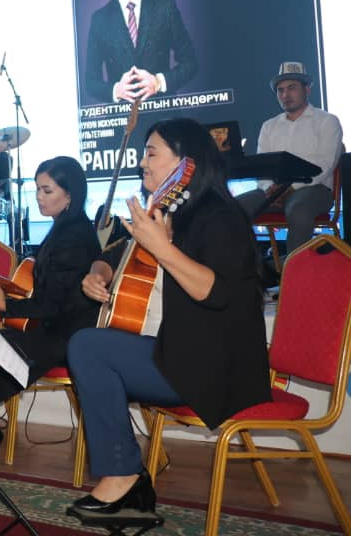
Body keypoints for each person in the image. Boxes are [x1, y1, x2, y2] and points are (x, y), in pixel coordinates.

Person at [66, 118, 270, 518]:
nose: (142, 162)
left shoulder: (221, 217)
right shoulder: (168, 213)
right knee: (87, 340)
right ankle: (125, 474)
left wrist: (162, 248)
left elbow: (216, 292)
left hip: (212, 367)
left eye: (151, 153)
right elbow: (111, 255)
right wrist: (97, 273)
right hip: (174, 351)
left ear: (185, 163)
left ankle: (124, 475)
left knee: (89, 347)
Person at [0, 156, 99, 485]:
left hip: (66, 338)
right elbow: (50, 292)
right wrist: (5, 293)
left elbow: (53, 305)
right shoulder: (64, 228)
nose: (39, 197)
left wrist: (5, 306)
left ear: (70, 194)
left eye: (47, 190)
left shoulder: (74, 237)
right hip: (51, 329)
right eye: (37, 189)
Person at [236, 61, 343, 257]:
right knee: (233, 208)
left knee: (298, 210)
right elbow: (262, 167)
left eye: (292, 88)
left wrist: (289, 189)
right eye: (280, 90)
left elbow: (324, 166)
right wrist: (271, 190)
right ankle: (249, 268)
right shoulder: (269, 126)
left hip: (314, 190)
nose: (285, 95)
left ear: (307, 89)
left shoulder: (327, 121)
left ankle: (295, 272)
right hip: (273, 190)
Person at [83, 0, 197, 104]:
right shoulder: (100, 19)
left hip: (164, 115)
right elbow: (90, 83)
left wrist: (159, 82)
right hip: (122, 118)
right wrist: (116, 90)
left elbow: (191, 63)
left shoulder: (165, 6)